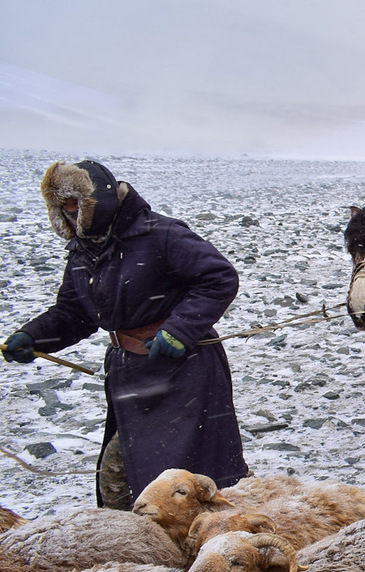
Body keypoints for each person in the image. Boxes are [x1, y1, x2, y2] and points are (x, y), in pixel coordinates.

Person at [3, 160, 248, 509]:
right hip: (130, 374)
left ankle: (227, 538)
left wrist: (178, 330)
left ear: (96, 201)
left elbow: (218, 278)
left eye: (76, 203)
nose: (71, 212)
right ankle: (137, 550)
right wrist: (34, 336)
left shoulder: (160, 234)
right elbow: (74, 313)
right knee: (121, 477)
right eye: (63, 206)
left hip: (185, 371)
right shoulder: (83, 250)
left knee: (194, 475)